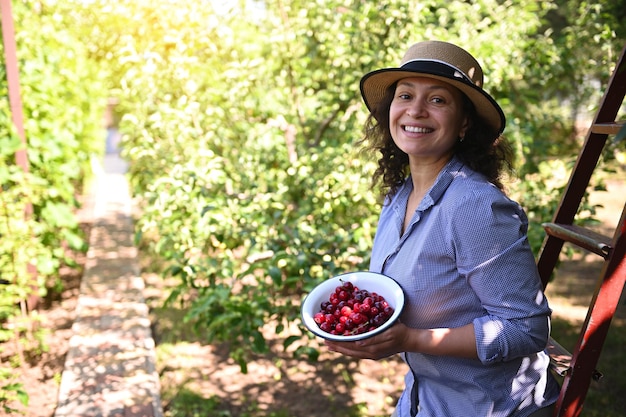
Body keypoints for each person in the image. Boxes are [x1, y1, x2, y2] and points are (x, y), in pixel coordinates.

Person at [324, 40, 561, 417]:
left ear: (464, 122)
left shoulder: (475, 206)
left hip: (491, 406)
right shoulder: (398, 197)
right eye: (405, 95)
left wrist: (412, 339)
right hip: (426, 396)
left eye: (437, 100)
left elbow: (526, 329)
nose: (415, 110)